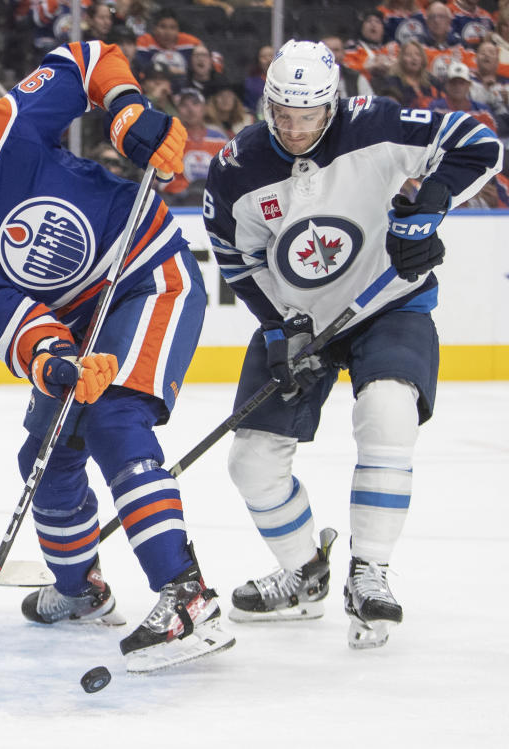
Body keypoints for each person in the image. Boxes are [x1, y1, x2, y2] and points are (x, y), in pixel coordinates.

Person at [0, 39, 235, 674]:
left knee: (115, 421)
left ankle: (187, 598)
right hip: (78, 326)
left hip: (149, 273)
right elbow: (16, 328)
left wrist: (126, 107)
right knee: (44, 454)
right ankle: (81, 592)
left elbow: (84, 59)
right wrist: (54, 361)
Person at [204, 39, 501, 650]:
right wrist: (280, 323)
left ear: (331, 106)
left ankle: (369, 573)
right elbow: (237, 258)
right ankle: (304, 574)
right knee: (251, 461)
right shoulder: (237, 168)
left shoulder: (379, 123)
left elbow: (479, 142)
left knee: (388, 412)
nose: (293, 129)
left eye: (308, 116)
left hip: (388, 302)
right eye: (282, 114)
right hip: (299, 319)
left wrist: (431, 205)